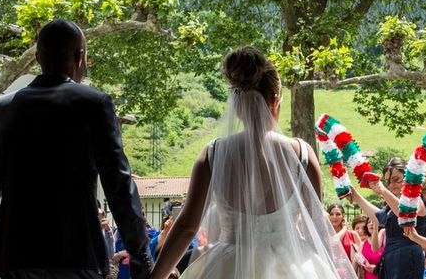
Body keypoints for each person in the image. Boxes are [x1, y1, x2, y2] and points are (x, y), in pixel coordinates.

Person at [149, 46, 357, 279]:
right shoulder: (302, 154)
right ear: (275, 100)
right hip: (293, 267)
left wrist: (155, 276)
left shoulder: (212, 155)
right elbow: (316, 227)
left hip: (225, 268)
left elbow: (187, 226)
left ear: (236, 106)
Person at [0, 19, 154, 279]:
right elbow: (118, 184)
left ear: (36, 58)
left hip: (15, 260)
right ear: (80, 57)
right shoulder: (94, 104)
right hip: (78, 255)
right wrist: (141, 254)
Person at [347, 157, 426, 279]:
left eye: (396, 179)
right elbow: (377, 217)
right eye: (388, 181)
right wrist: (355, 196)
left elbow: (406, 213)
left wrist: (384, 191)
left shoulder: (416, 199)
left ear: (407, 177)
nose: (391, 185)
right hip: (391, 258)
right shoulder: (390, 205)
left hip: (408, 257)